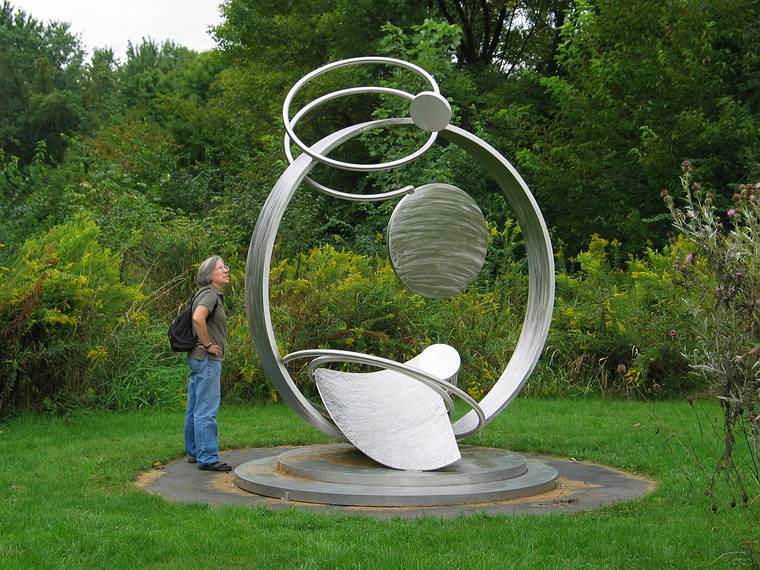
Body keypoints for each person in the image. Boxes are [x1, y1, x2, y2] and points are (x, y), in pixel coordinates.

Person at [184, 255, 231, 472]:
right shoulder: (210, 294)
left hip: (196, 358)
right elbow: (197, 318)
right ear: (209, 274)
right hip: (206, 359)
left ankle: (194, 452)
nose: (226, 270)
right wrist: (208, 344)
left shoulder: (204, 294)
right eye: (221, 268)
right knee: (206, 408)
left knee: (195, 407)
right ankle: (208, 457)